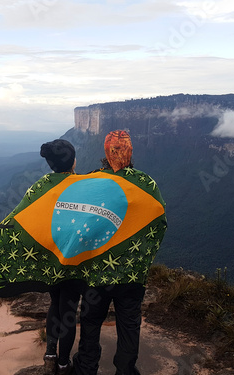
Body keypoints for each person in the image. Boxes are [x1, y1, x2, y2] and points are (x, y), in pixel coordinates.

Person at [73, 130, 167, 375]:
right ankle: (125, 370)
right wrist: (144, 257)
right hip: (131, 274)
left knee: (91, 322)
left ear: (106, 152)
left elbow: (79, 223)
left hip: (96, 273)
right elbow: (159, 223)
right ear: (130, 151)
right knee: (129, 324)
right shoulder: (146, 184)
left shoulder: (91, 182)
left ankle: (86, 368)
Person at [40, 139, 83, 375]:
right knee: (68, 309)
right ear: (73, 161)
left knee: (54, 303)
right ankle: (64, 363)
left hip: (50, 258)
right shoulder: (83, 186)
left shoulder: (40, 187)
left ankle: (49, 354)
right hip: (74, 259)